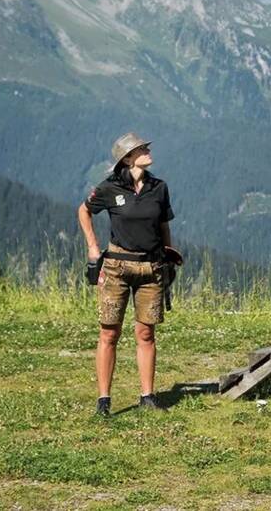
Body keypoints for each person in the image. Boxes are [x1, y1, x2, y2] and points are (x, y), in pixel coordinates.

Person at [77, 132, 178, 417]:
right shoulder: (108, 188)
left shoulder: (159, 188)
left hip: (151, 268)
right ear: (128, 158)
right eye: (142, 148)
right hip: (116, 269)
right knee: (109, 332)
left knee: (146, 332)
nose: (148, 150)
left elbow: (163, 226)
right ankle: (104, 400)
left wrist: (168, 256)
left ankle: (147, 396)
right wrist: (93, 249)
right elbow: (84, 211)